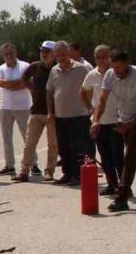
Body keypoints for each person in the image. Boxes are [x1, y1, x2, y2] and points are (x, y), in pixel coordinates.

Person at [94, 51, 136, 212]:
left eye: (119, 67)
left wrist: (131, 124)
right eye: (114, 67)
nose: (116, 70)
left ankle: (121, 197)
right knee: (135, 155)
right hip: (123, 117)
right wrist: (96, 121)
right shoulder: (110, 75)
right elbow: (102, 100)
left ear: (127, 64)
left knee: (130, 156)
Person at [47, 41, 91, 186]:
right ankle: (67, 173)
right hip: (60, 116)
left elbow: (89, 89)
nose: (61, 57)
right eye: (58, 55)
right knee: (63, 147)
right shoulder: (54, 70)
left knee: (77, 147)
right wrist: (50, 112)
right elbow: (50, 92)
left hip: (78, 115)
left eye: (63, 54)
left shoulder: (81, 69)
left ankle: (76, 175)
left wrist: (90, 107)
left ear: (69, 53)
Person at [15, 41, 59, 182]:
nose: (44, 54)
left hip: (53, 113)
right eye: (42, 51)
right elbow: (24, 78)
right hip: (36, 112)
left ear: (54, 53)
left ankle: (49, 172)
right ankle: (24, 172)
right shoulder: (34, 67)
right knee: (29, 143)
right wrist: (31, 88)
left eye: (47, 51)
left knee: (52, 144)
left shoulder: (57, 69)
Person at [84, 45, 122, 196]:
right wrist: (89, 108)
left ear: (110, 57)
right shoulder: (92, 74)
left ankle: (125, 186)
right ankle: (112, 184)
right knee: (105, 157)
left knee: (119, 157)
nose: (101, 60)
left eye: (104, 57)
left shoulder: (116, 74)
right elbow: (83, 91)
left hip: (117, 120)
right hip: (100, 121)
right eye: (98, 57)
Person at [0, 43, 29, 175]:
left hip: (23, 107)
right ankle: (9, 165)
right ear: (3, 56)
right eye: (6, 54)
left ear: (16, 52)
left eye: (11, 52)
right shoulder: (0, 68)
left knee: (28, 137)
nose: (9, 55)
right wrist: (17, 82)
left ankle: (33, 164)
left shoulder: (25, 66)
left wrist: (10, 84)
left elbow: (26, 83)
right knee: (6, 138)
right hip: (5, 107)